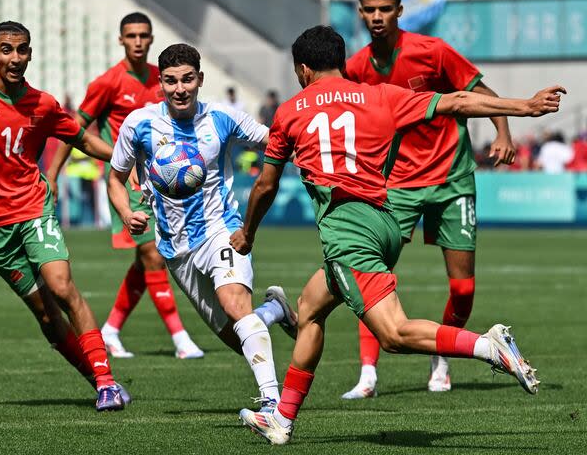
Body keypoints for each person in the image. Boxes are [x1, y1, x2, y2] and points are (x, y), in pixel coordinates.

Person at [234, 25, 560, 445]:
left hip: (348, 231)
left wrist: (247, 234)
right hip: (385, 221)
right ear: (340, 59)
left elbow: (265, 186)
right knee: (310, 308)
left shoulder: (290, 111)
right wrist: (527, 106)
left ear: (302, 70)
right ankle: (281, 419)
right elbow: (458, 100)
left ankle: (487, 346)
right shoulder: (380, 94)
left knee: (393, 334)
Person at [0, 21, 127, 411]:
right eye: (7, 50)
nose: (15, 58)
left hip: (34, 207)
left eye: (22, 50)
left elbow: (81, 138)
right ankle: (96, 379)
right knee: (47, 317)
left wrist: (126, 157)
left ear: (30, 53)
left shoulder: (43, 104)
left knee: (62, 286)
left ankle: (107, 382)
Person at [336, 0, 518, 398]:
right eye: (370, 9)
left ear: (400, 11)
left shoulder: (432, 52)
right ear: (360, 13)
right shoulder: (358, 67)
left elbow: (481, 92)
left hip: (453, 179)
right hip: (396, 184)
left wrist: (503, 132)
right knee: (372, 275)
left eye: (386, 8)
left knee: (463, 288)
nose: (378, 16)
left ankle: (443, 354)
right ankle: (367, 375)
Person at [108, 43, 298, 411]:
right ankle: (275, 312)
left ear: (200, 79)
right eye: (171, 81)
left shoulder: (221, 118)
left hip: (220, 229)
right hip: (176, 248)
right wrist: (126, 213)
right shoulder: (140, 123)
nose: (180, 88)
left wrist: (312, 144)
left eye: (187, 79)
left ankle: (273, 406)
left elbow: (274, 141)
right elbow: (115, 179)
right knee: (234, 334)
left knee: (235, 303)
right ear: (160, 84)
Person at [46, 12, 203, 359]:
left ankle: (111, 331)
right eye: (130, 35)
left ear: (150, 39)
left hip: (163, 182)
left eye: (143, 35)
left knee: (146, 260)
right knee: (153, 255)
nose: (137, 41)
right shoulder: (108, 83)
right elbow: (74, 128)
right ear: (121, 40)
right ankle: (180, 339)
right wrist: (54, 174)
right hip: (128, 182)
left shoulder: (160, 79)